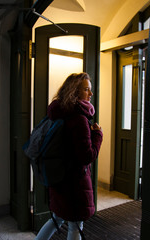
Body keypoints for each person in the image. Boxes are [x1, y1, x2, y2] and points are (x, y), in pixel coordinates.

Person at [35, 72, 103, 240]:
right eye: (86, 89)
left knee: (57, 218)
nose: (90, 94)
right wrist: (98, 135)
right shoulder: (78, 118)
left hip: (58, 177)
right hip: (74, 182)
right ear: (74, 92)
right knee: (75, 224)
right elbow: (87, 156)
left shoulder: (58, 112)